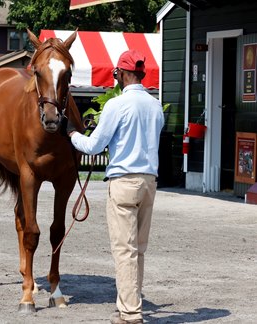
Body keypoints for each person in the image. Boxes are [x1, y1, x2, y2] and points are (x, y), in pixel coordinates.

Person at [68, 49, 164, 324]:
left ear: (122, 74)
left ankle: (131, 314)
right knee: (139, 249)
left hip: (123, 181)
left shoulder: (116, 105)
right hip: (149, 181)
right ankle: (130, 304)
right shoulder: (154, 105)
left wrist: (72, 133)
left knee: (124, 250)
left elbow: (94, 146)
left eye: (116, 74)